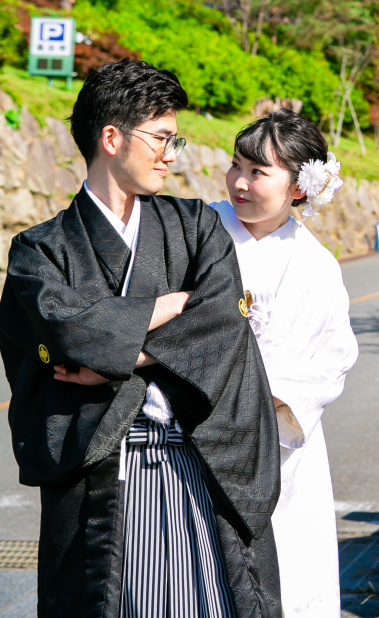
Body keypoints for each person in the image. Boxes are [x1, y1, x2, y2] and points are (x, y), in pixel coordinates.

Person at [0, 60, 282, 618]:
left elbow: (225, 322)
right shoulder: (39, 250)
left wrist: (127, 355)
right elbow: (63, 335)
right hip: (98, 475)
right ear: (111, 137)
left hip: (200, 467)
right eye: (161, 138)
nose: (172, 153)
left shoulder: (196, 227)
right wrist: (165, 307)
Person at [209, 110, 358, 618]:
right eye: (235, 166)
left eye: (258, 171)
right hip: (193, 425)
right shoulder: (198, 229)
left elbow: (335, 357)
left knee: (285, 571)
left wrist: (264, 395)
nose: (240, 182)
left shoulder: (316, 264)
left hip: (274, 438)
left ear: (299, 186)